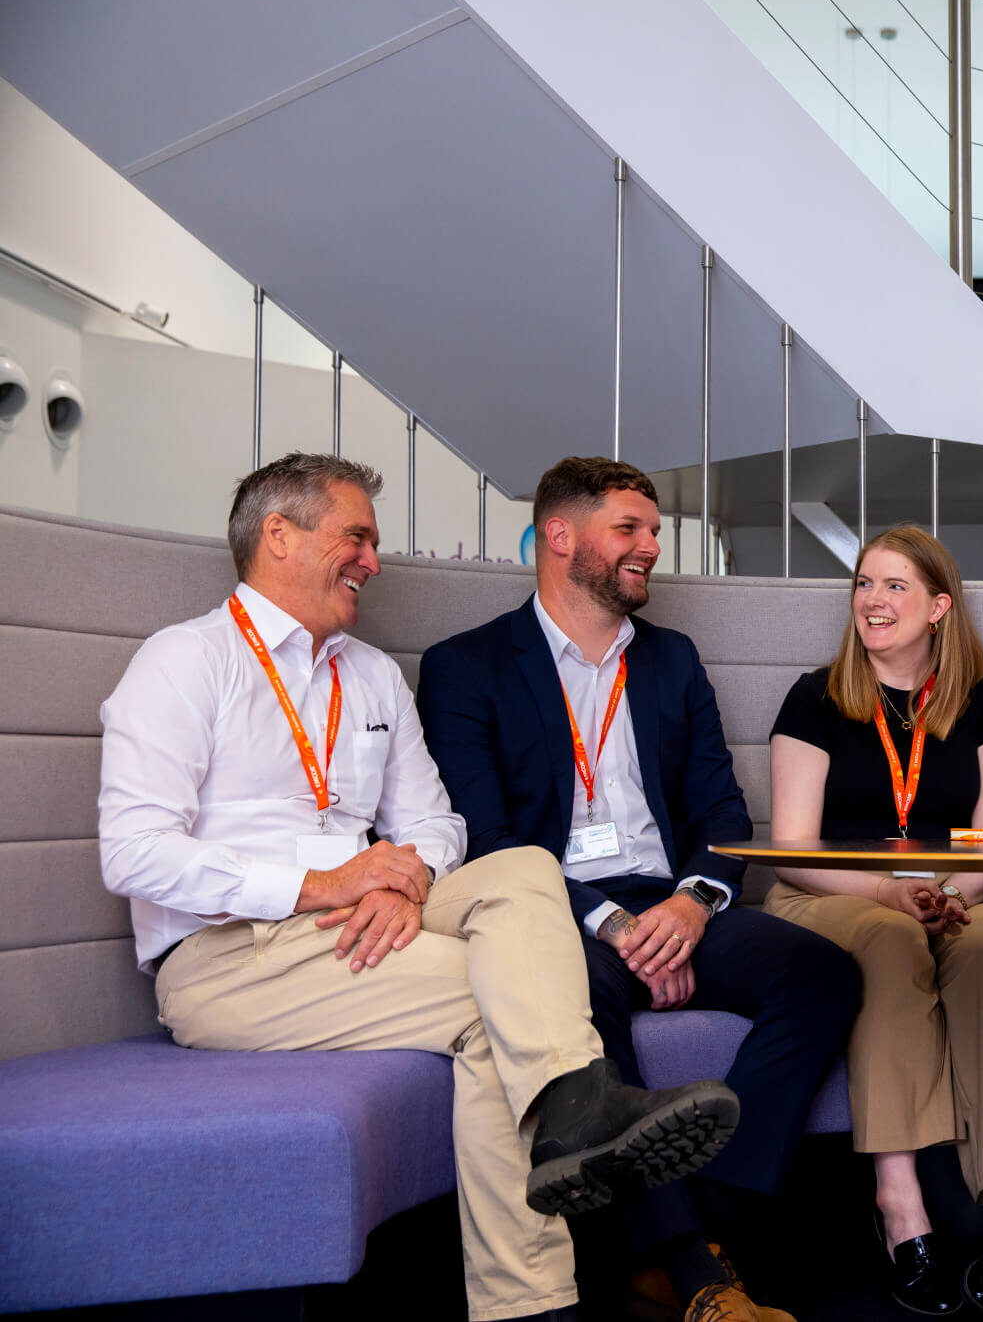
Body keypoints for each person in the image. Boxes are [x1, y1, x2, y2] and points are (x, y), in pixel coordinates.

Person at [99, 453, 737, 1322]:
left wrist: (408, 883)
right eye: (355, 536)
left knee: (520, 869)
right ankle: (539, 1278)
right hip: (227, 956)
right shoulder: (183, 661)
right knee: (501, 1007)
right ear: (278, 536)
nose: (373, 559)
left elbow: (438, 826)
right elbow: (133, 854)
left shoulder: (367, 674)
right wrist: (323, 883)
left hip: (360, 918)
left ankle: (574, 1122)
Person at [417, 456, 860, 1322]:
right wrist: (617, 927)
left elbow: (721, 809)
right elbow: (487, 840)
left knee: (826, 973)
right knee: (576, 1000)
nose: (652, 547)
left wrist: (691, 906)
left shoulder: (670, 660)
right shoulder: (465, 667)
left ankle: (708, 1227)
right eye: (630, 529)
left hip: (673, 897)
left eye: (653, 531)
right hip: (554, 915)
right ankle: (695, 1277)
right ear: (559, 536)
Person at [765, 526, 983, 1317]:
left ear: (939, 606)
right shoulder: (815, 695)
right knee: (893, 942)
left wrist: (953, 894)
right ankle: (900, 1202)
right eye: (864, 583)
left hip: (957, 890)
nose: (872, 599)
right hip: (833, 896)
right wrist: (887, 895)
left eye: (895, 586)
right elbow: (791, 850)